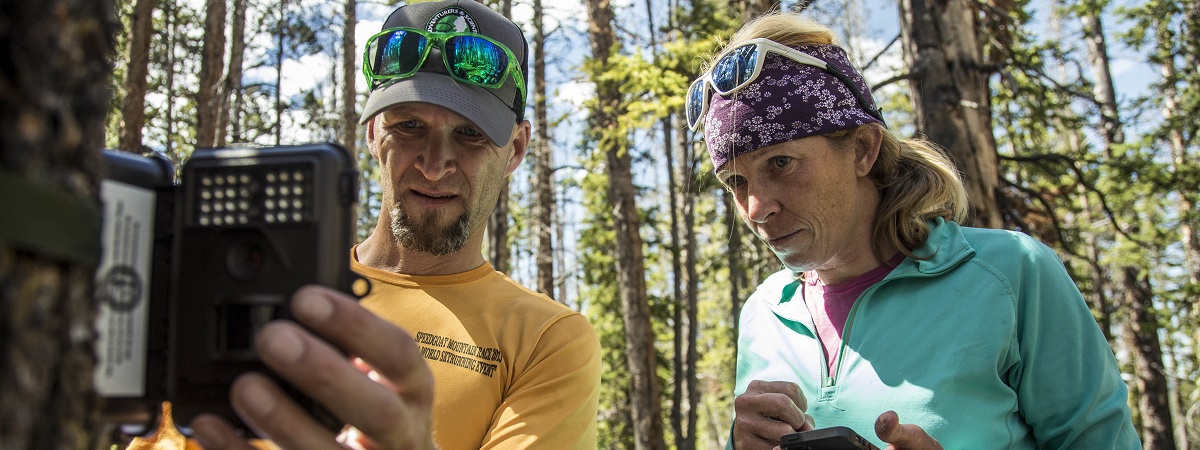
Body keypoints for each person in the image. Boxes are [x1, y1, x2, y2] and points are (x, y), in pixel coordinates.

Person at [685, 12, 1141, 450]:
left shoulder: (1013, 274)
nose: (756, 208)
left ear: (863, 149)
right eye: (737, 182)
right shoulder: (763, 313)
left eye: (781, 163)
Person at [189, 1, 601, 449]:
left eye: (470, 134)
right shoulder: (253, 288)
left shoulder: (547, 342)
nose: (434, 164)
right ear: (372, 134)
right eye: (409, 126)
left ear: (516, 149)